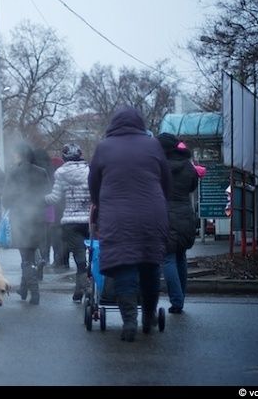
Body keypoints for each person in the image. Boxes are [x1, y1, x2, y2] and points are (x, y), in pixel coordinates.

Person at [88, 105, 171, 342]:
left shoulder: (104, 147)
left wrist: (99, 204)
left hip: (117, 216)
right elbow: (166, 181)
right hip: (152, 214)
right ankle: (148, 316)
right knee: (150, 264)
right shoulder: (153, 144)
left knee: (125, 267)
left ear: (113, 124)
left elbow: (93, 183)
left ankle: (129, 322)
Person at [2, 141, 50, 305]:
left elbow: (6, 199)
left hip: (21, 218)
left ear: (19, 155)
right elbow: (47, 196)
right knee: (30, 255)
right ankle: (23, 289)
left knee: (26, 259)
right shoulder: (41, 172)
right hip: (38, 218)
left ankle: (35, 294)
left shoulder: (13, 172)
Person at [157, 133, 199, 314]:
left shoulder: (159, 167)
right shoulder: (189, 166)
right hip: (186, 215)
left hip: (166, 215)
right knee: (181, 256)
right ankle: (181, 297)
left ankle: (177, 301)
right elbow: (192, 187)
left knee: (168, 258)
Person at [45, 143, 91, 302]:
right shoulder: (89, 170)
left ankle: (80, 291)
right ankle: (92, 286)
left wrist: (40, 200)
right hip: (90, 220)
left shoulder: (61, 173)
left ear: (64, 157)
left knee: (79, 259)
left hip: (70, 222)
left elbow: (54, 198)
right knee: (94, 255)